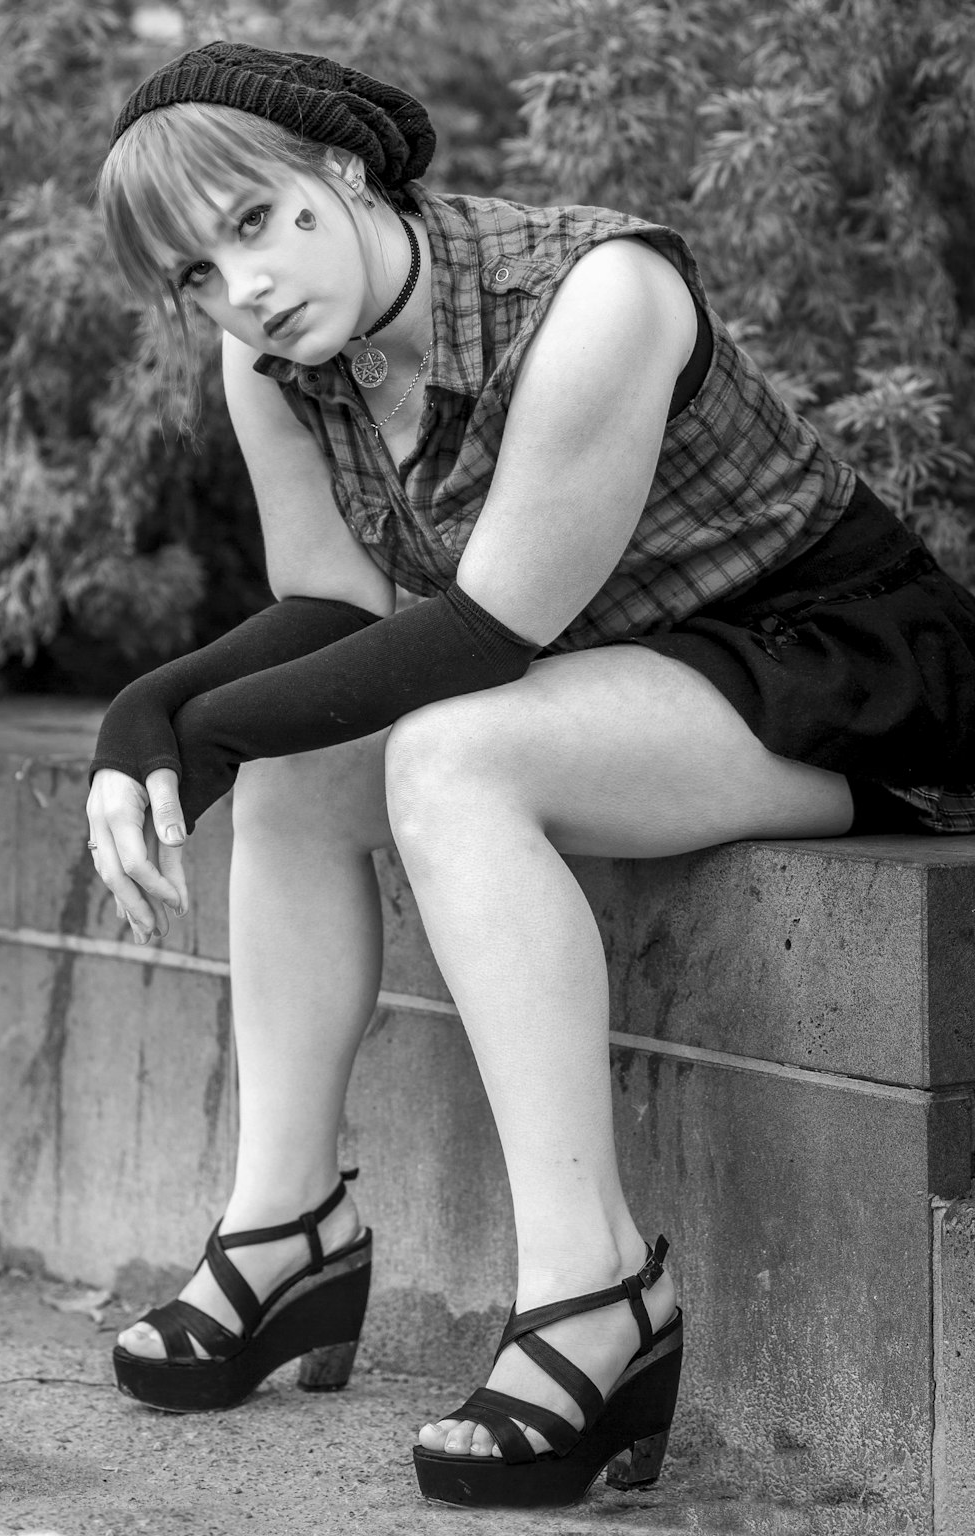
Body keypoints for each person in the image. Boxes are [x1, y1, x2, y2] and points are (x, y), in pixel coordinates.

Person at [86, 40, 975, 1510]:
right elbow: (336, 611)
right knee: (313, 774)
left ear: (343, 172)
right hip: (606, 680)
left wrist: (207, 730)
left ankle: (595, 1294)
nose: (237, 289)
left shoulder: (598, 294)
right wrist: (154, 712)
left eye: (252, 223)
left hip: (828, 669)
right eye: (193, 273)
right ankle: (282, 1231)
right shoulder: (277, 362)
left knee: (448, 756)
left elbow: (493, 622)